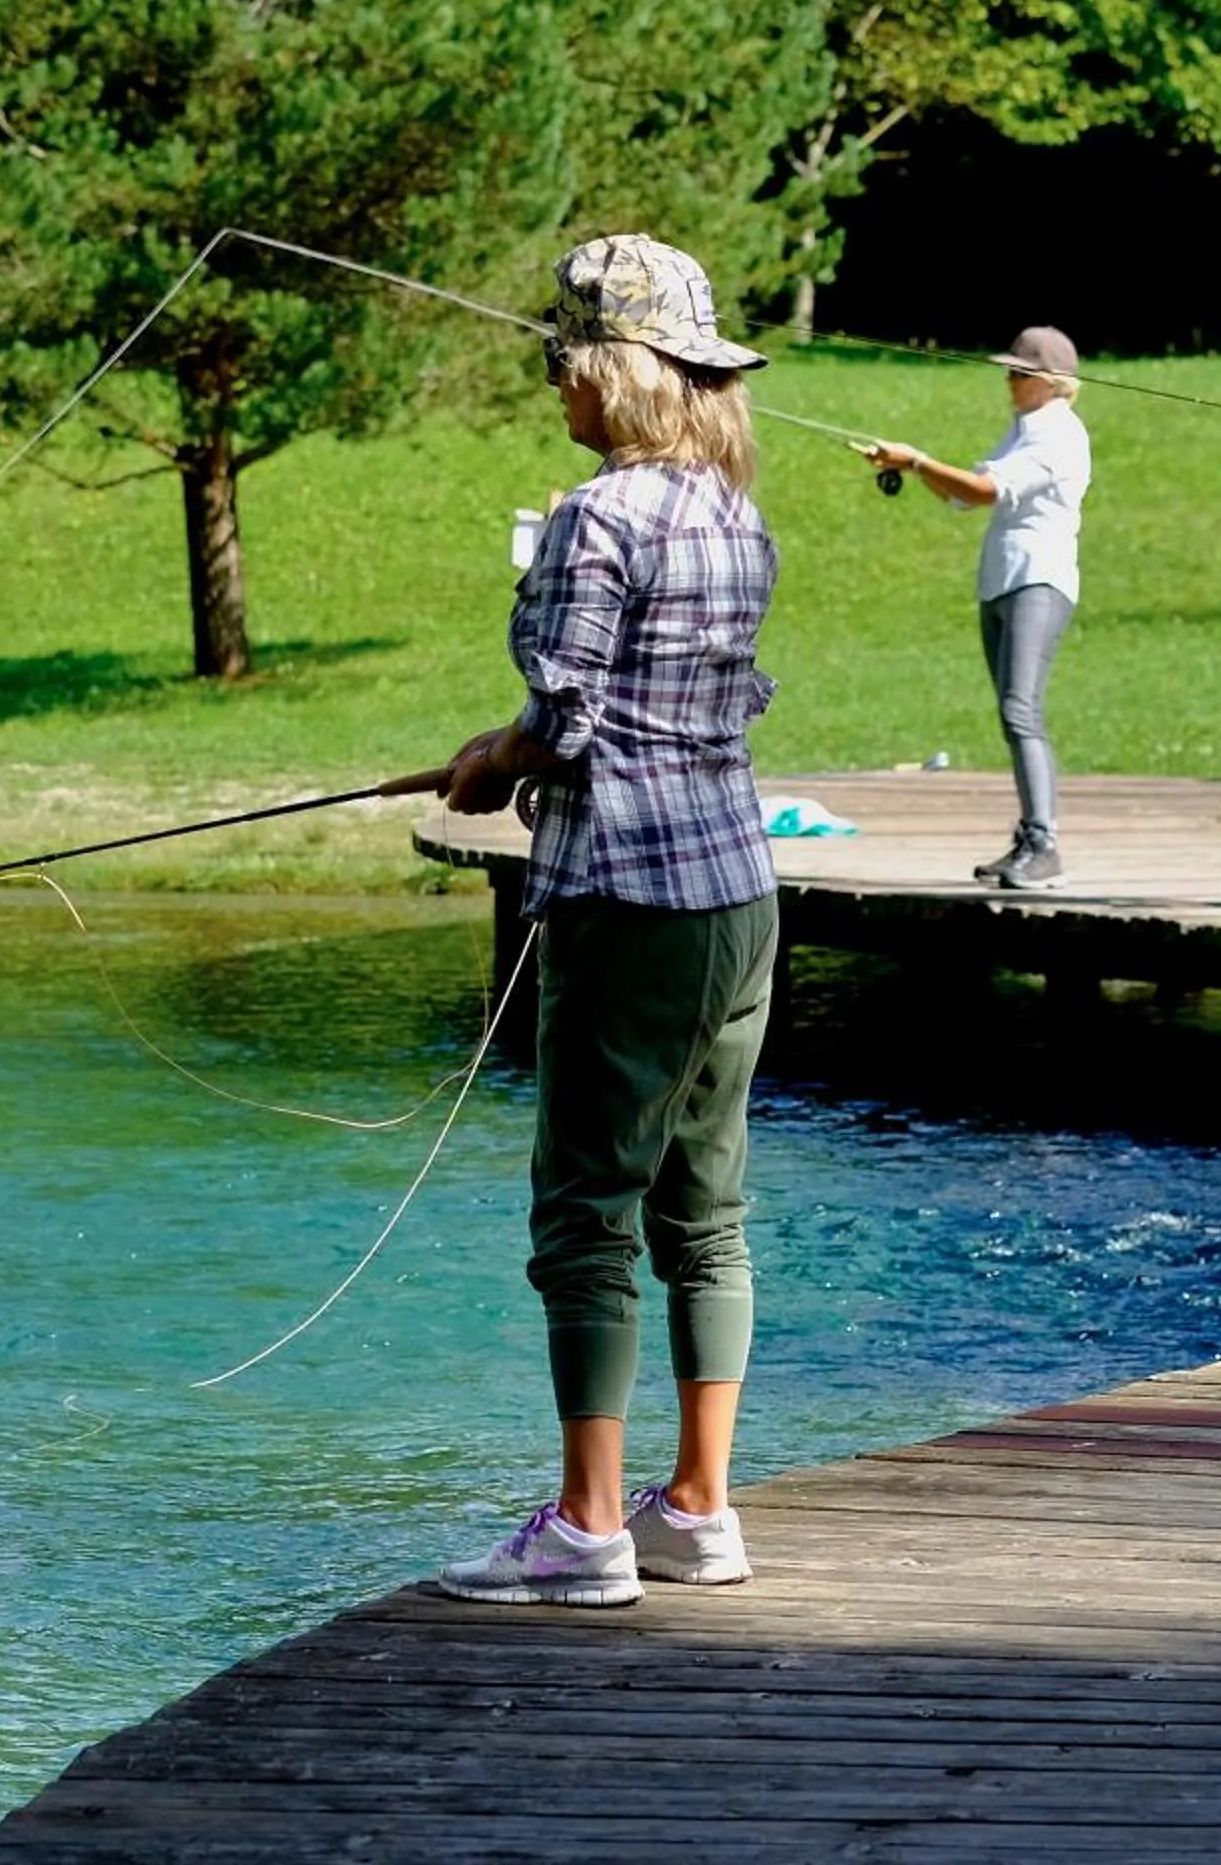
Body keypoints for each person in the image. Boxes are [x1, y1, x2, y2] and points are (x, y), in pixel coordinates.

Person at [429, 234, 783, 1605]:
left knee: (586, 1210)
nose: (556, 390)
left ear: (621, 374)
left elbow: (571, 714)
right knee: (708, 1209)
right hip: (739, 896)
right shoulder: (738, 516)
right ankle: (698, 1508)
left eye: (566, 364)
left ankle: (588, 1532)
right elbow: (692, 703)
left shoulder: (601, 517)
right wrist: (517, 748)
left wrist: (500, 755)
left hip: (628, 902)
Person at [863, 328, 1093, 891]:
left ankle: (1044, 846)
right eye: (1009, 371)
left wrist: (916, 461)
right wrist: (911, 466)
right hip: (1003, 582)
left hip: (1038, 580)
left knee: (1021, 712)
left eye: (1018, 372)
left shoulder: (1059, 433)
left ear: (1049, 381)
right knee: (1013, 713)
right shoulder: (1024, 430)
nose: (1009, 381)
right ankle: (1030, 839)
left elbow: (987, 490)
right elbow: (964, 495)